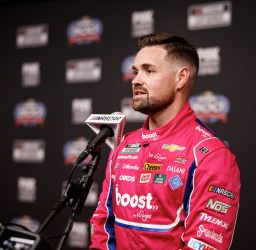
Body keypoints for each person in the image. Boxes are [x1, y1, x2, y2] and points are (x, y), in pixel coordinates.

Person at [89, 33, 240, 250]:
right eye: (135, 71)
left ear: (181, 78)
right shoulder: (123, 145)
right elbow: (103, 224)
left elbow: (205, 243)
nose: (136, 80)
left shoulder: (211, 155)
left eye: (149, 71)